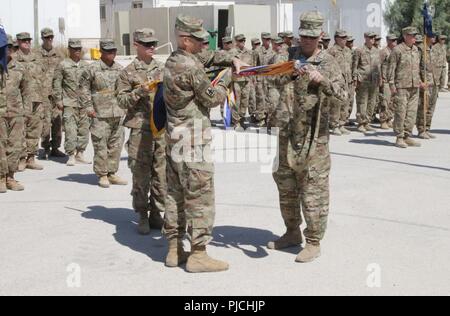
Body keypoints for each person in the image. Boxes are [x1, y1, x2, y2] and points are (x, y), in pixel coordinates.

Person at [162, 14, 244, 272]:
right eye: (198, 41)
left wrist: (229, 58)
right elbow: (212, 97)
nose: (203, 45)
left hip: (175, 137)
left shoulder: (173, 60)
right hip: (193, 140)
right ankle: (198, 254)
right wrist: (228, 78)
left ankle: (174, 250)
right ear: (185, 40)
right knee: (200, 196)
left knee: (175, 194)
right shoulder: (191, 68)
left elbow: (208, 57)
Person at [268, 11, 346, 263]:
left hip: (314, 137)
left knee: (314, 189)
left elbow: (342, 96)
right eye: (303, 36)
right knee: (286, 186)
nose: (307, 41)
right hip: (287, 132)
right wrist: (289, 73)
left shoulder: (329, 62)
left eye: (312, 37)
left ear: (320, 36)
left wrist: (321, 80)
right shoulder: (289, 56)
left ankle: (313, 240)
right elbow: (273, 78)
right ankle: (292, 232)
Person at [117, 29, 166, 235]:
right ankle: (142, 214)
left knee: (161, 174)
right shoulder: (127, 72)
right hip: (140, 130)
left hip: (160, 129)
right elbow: (121, 100)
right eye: (146, 44)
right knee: (140, 173)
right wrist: (139, 91)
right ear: (136, 45)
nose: (151, 47)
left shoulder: (162, 69)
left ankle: (156, 212)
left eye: (153, 43)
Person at [80, 39, 127, 188]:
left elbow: (124, 90)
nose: (112, 54)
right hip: (99, 114)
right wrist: (88, 108)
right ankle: (102, 175)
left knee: (116, 145)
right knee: (100, 145)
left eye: (113, 51)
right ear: (101, 52)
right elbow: (83, 89)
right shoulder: (92, 69)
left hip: (117, 113)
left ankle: (112, 173)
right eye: (108, 51)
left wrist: (125, 108)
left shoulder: (120, 69)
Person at [52, 39, 91, 166]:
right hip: (69, 102)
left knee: (84, 129)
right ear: (69, 50)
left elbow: (91, 84)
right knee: (70, 129)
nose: (77, 51)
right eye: (74, 49)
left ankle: (80, 153)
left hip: (84, 103)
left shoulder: (86, 65)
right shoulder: (63, 65)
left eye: (79, 48)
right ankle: (71, 154)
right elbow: (57, 83)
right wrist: (58, 99)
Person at [0, 35, 30, 192]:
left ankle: (10, 177)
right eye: (4, 47)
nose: (7, 50)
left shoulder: (20, 68)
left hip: (16, 113)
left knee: (14, 146)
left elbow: (26, 91)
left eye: (9, 48)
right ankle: (0, 178)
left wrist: (26, 111)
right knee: (0, 147)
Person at [14, 32, 45, 171]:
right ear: (18, 42)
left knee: (34, 129)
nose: (26, 42)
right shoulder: (13, 58)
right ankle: (21, 158)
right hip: (20, 100)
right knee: (21, 130)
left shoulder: (37, 58)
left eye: (28, 40)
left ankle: (31, 158)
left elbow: (43, 77)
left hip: (37, 99)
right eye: (23, 40)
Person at [388, 27, 422, 148]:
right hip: (401, 86)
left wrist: (420, 81)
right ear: (405, 36)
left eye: (415, 35)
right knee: (400, 112)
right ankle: (399, 137)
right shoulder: (397, 50)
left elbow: (418, 68)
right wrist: (391, 85)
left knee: (411, 113)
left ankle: (407, 135)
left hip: (414, 85)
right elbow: (391, 68)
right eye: (412, 35)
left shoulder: (416, 50)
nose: (414, 38)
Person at [37, 28, 65, 160]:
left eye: (51, 37)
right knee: (45, 122)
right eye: (46, 38)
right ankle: (46, 148)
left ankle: (55, 148)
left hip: (56, 93)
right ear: (42, 39)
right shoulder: (36, 54)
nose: (49, 40)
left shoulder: (58, 55)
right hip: (42, 94)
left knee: (57, 121)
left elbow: (63, 73)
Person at [352, 32, 381, 133]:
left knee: (372, 102)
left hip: (374, 80)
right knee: (362, 102)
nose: (373, 39)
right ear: (365, 38)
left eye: (374, 38)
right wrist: (355, 79)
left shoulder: (377, 51)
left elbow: (378, 67)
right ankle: (361, 123)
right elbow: (354, 66)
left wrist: (380, 78)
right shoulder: (359, 50)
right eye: (370, 38)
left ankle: (367, 122)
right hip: (362, 80)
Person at [327, 29, 352, 135]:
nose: (344, 40)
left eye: (345, 38)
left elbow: (350, 65)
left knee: (345, 102)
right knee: (336, 104)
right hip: (336, 81)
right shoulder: (331, 51)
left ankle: (342, 123)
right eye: (342, 38)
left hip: (347, 81)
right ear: (336, 38)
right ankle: (334, 125)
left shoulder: (347, 50)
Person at [379, 34, 398, 129]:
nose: (395, 42)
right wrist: (380, 78)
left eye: (395, 40)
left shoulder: (396, 52)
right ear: (388, 41)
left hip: (393, 80)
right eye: (392, 40)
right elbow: (378, 66)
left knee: (392, 102)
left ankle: (389, 118)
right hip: (385, 80)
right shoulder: (384, 52)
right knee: (385, 101)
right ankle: (383, 120)